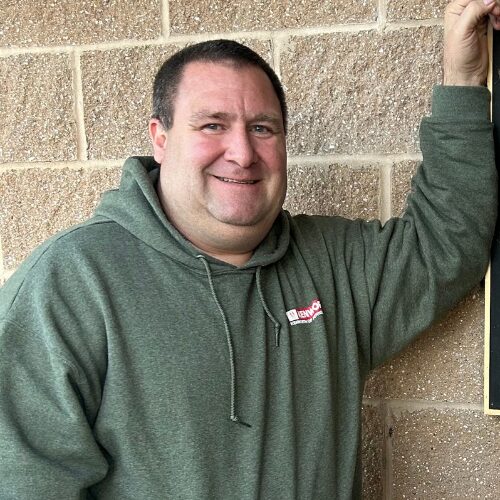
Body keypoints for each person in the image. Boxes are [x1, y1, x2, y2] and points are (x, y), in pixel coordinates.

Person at [1, 0, 499, 498]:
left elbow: (447, 240)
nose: (241, 153)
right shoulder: (70, 282)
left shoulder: (334, 266)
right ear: (160, 138)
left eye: (262, 128)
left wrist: (464, 78)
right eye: (212, 125)